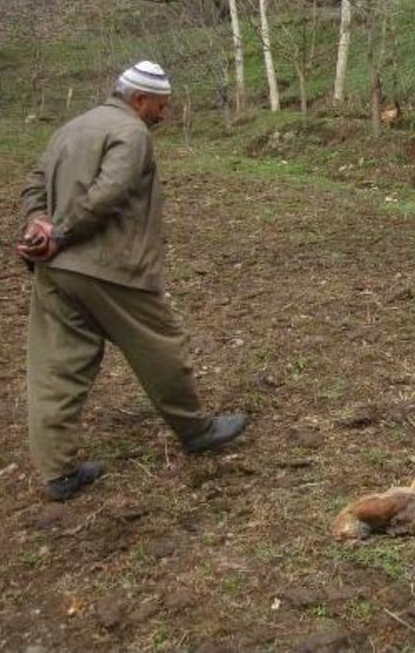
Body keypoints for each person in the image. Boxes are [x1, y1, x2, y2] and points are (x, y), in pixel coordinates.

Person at [17, 61, 247, 501]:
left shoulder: (71, 128)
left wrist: (38, 227)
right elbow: (110, 192)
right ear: (139, 100)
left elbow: (33, 183)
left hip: (55, 271)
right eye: (160, 106)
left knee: (56, 370)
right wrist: (63, 232)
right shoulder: (133, 133)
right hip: (112, 267)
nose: (163, 115)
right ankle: (196, 429)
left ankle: (58, 472)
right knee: (161, 345)